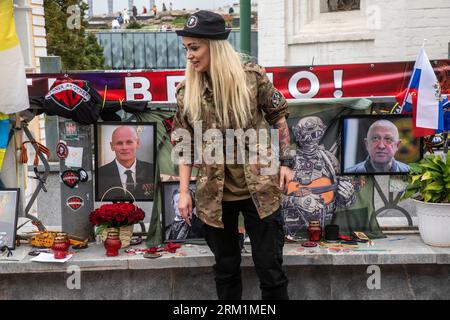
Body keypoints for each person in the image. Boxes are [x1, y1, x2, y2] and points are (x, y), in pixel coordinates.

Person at [172, 10, 292, 300]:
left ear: (214, 46)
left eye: (195, 47)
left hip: (261, 191)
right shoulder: (187, 92)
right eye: (186, 48)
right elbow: (183, 144)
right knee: (226, 270)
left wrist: (287, 162)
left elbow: (280, 117)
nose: (189, 55)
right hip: (215, 196)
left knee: (270, 270)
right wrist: (184, 191)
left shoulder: (252, 78)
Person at [282, 116, 356, 239]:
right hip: (290, 230)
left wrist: (348, 196)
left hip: (323, 229)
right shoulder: (287, 159)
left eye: (315, 134)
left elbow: (344, 202)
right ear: (297, 134)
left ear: (322, 132)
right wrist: (295, 200)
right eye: (304, 135)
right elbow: (269, 195)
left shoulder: (330, 160)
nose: (309, 140)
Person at [97, 126, 154, 201]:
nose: (124, 147)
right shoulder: (100, 173)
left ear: (137, 143)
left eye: (129, 142)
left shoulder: (152, 169)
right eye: (119, 143)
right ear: (112, 146)